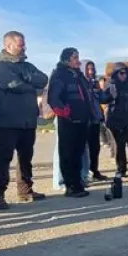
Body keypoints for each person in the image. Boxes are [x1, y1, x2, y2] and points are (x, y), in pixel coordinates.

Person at [0, 31, 48, 209]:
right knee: (3, 157)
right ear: (8, 46)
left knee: (26, 157)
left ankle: (25, 190)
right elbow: (14, 85)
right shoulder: (0, 67)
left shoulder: (28, 66)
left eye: (24, 44)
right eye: (21, 45)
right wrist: (30, 85)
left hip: (28, 120)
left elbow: (43, 79)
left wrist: (27, 78)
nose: (24, 47)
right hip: (8, 120)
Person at [47, 47, 92, 198]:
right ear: (66, 59)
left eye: (78, 57)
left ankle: (77, 183)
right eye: (74, 58)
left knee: (78, 153)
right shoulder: (60, 75)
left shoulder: (79, 76)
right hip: (68, 120)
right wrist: (65, 113)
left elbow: (87, 96)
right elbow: (54, 98)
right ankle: (70, 185)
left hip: (82, 119)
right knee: (67, 153)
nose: (78, 61)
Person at [83, 59, 108, 181]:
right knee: (83, 149)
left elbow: (103, 99)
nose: (91, 71)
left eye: (92, 69)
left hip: (95, 119)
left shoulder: (95, 83)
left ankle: (94, 170)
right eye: (88, 69)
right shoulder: (80, 83)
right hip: (84, 120)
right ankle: (83, 173)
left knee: (95, 147)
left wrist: (102, 91)